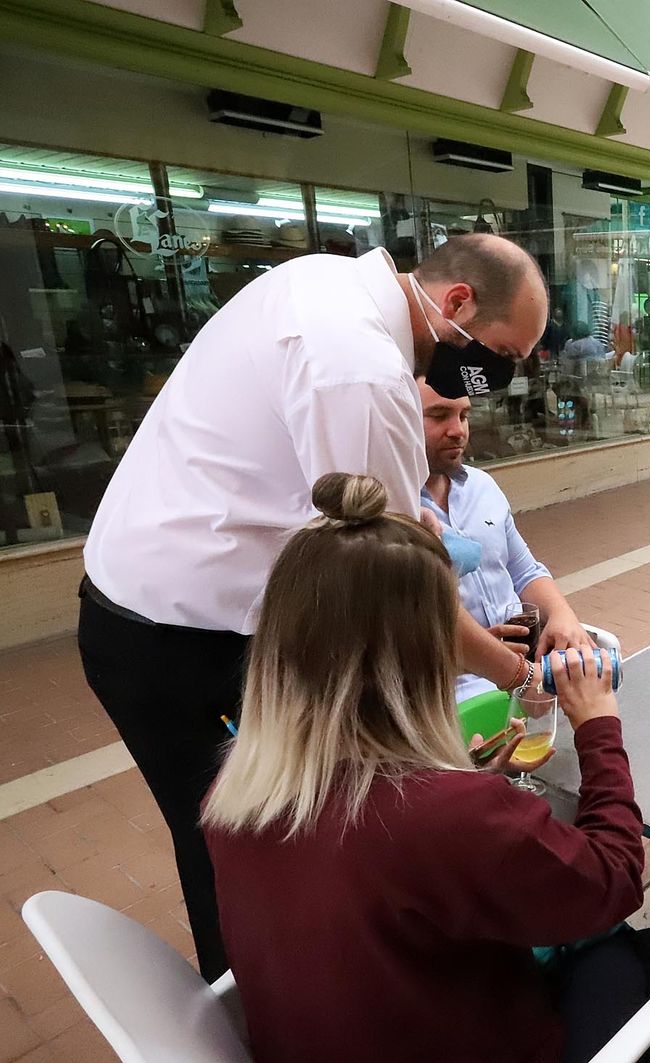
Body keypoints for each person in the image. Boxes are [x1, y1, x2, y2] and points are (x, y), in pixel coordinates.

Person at [78, 233, 543, 980]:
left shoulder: (324, 283)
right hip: (179, 637)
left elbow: (361, 512)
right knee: (239, 840)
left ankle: (301, 989)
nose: (497, 376)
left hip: (159, 604)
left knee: (283, 819)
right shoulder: (359, 369)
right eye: (502, 353)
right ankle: (266, 1005)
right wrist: (518, 675)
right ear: (457, 302)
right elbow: (398, 592)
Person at [203, 473, 650, 1063]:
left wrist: (468, 785)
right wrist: (598, 725)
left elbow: (385, 879)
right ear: (422, 648)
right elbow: (615, 877)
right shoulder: (446, 815)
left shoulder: (236, 790)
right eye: (452, 622)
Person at [418, 378, 592, 702]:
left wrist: (562, 615)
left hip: (529, 677)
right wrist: (481, 654)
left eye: (464, 415)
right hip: (452, 697)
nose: (458, 430)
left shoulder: (483, 486)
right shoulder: (392, 511)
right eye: (439, 416)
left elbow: (524, 570)